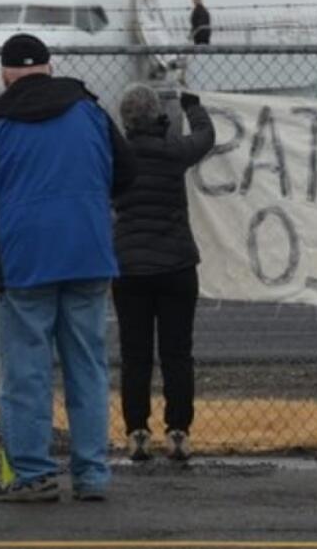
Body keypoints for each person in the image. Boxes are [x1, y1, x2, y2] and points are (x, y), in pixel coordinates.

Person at [0, 33, 136, 503]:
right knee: (87, 366)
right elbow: (127, 173)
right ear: (50, 67)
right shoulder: (91, 111)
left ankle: (33, 474)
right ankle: (92, 474)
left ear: (4, 74)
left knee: (26, 371)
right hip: (89, 254)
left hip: (26, 258)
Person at [112, 84, 215, 462]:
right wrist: (194, 107)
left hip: (129, 266)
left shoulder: (116, 156)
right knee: (177, 353)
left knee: (135, 354)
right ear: (158, 114)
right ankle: (178, 430)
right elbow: (205, 137)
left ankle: (137, 429)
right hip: (176, 264)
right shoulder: (174, 151)